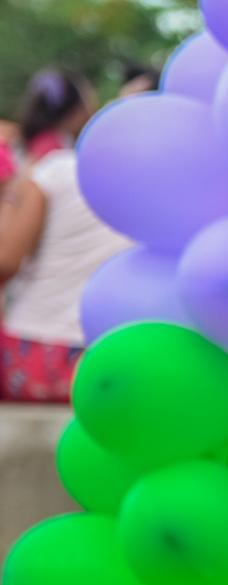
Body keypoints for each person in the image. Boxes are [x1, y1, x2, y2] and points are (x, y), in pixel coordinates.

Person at [0, 70, 130, 402]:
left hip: (35, 354)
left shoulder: (47, 170)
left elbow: (6, 261)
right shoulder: (126, 176)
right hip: (110, 356)